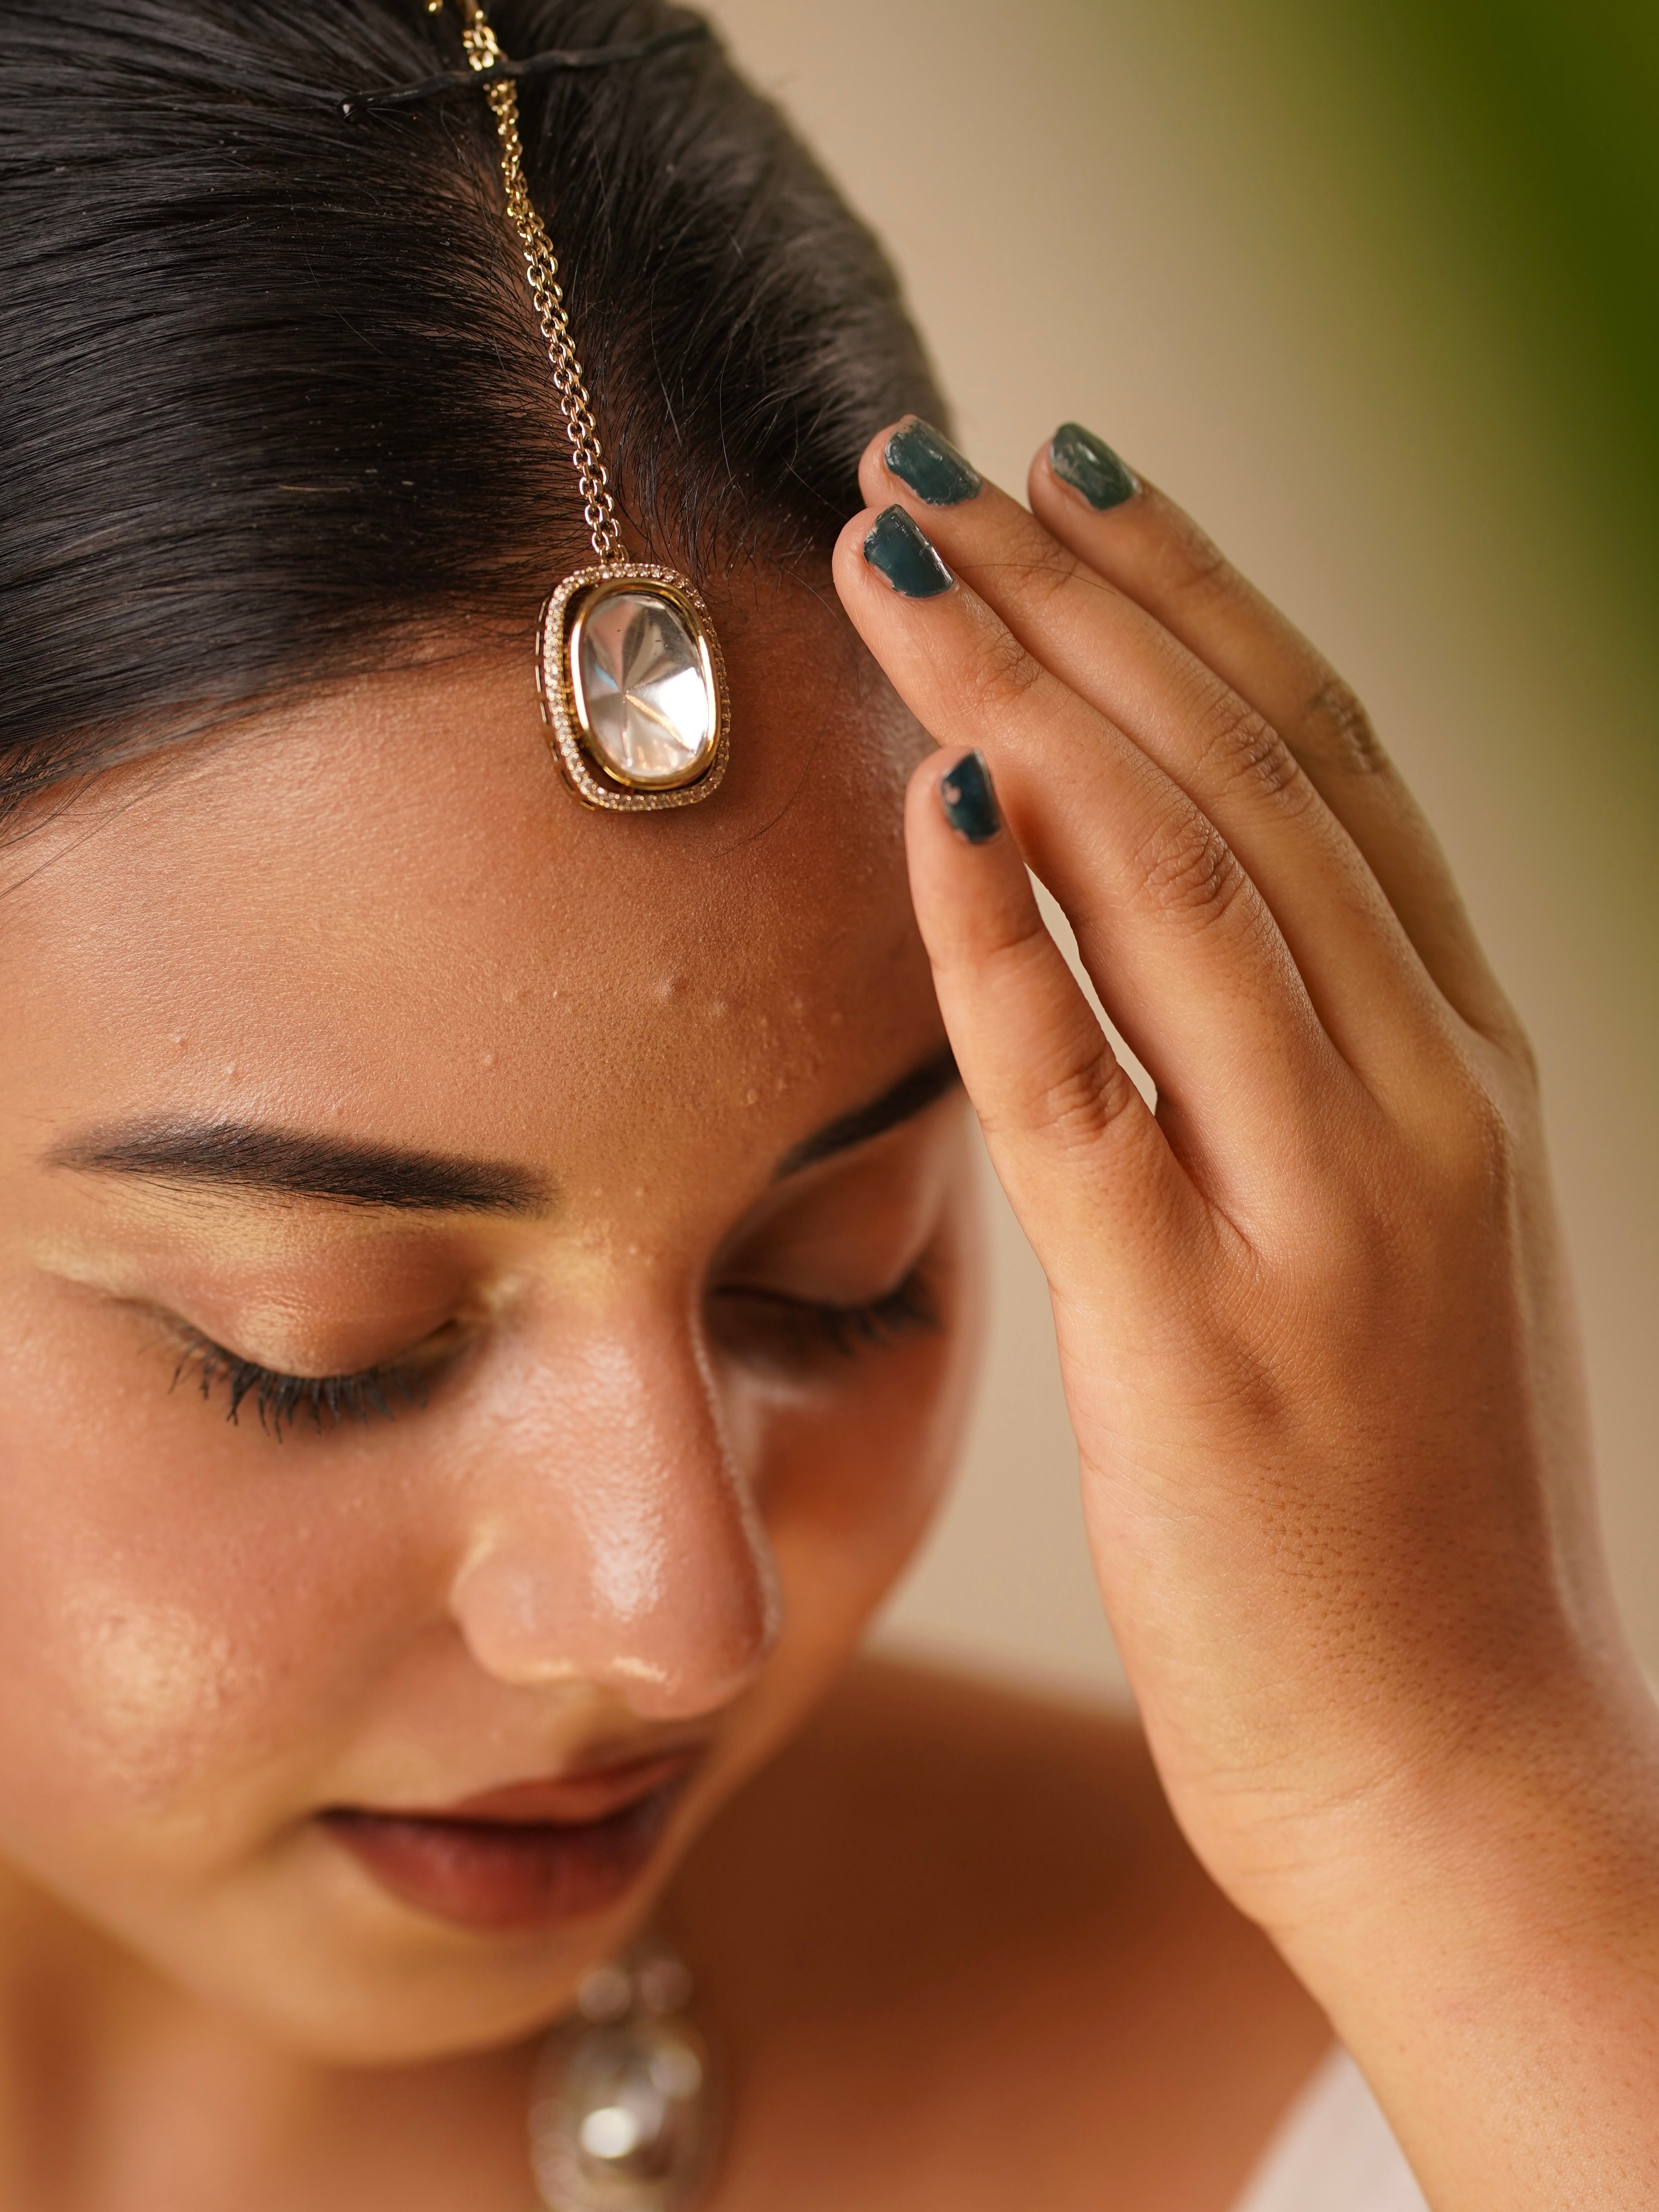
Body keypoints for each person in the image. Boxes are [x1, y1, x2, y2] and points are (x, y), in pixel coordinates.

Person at [1, 3, 1655, 2207]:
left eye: (835, 1275)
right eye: (325, 1345)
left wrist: (1462, 1800)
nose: (679, 1613)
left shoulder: (1408, 2059)